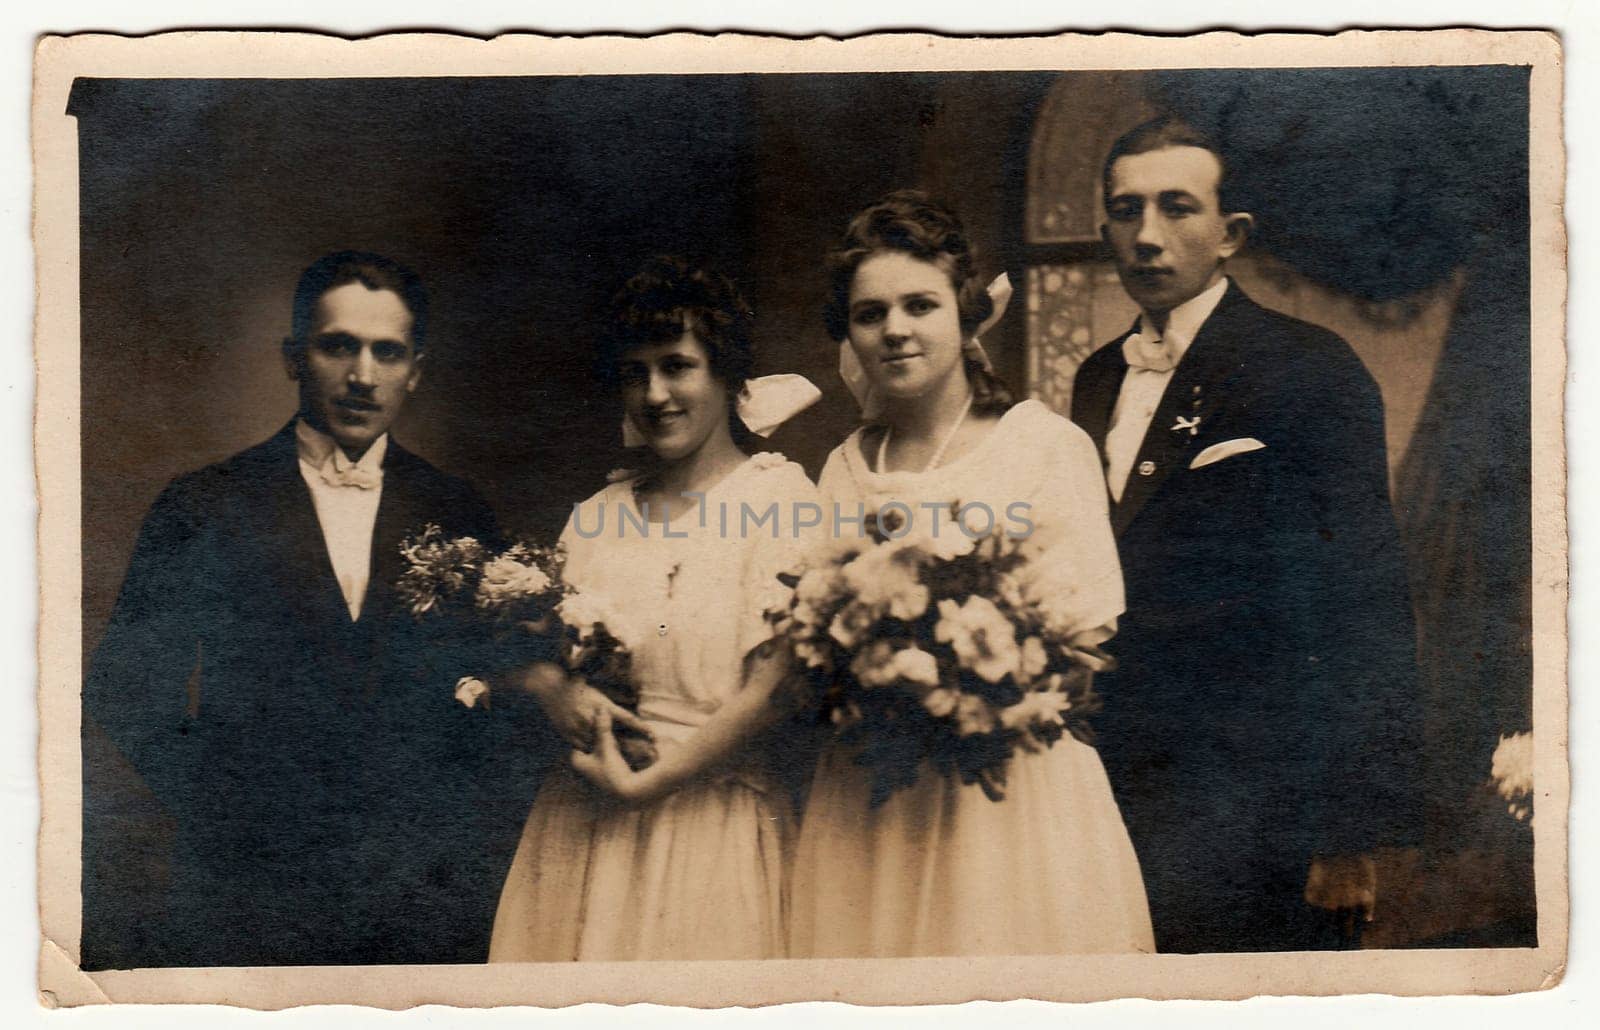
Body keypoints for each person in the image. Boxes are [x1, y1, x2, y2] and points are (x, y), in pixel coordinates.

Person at [82, 251, 534, 967]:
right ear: (294, 357)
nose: (362, 376)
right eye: (338, 346)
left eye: (387, 353)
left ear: (415, 369)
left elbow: (514, 688)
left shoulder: (457, 509)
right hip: (248, 893)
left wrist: (450, 827)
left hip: (419, 901)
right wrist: (229, 808)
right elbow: (125, 690)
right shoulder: (204, 504)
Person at [1072, 116, 1423, 953]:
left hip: (1262, 806)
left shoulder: (1309, 368)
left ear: (1231, 235)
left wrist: (1345, 834)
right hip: (1114, 791)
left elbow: (1363, 602)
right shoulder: (1095, 379)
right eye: (1126, 211)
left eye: (1176, 208)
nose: (1147, 236)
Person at [787, 191, 1154, 957]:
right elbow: (812, 637)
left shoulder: (1044, 447)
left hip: (1010, 791)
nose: (895, 329)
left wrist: (968, 687)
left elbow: (1085, 641)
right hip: (874, 797)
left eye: (920, 305)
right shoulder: (843, 468)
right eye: (869, 314)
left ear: (965, 313)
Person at [488, 256, 821, 962]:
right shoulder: (594, 518)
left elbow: (775, 690)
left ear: (727, 375)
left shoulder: (779, 502)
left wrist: (651, 783)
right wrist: (555, 690)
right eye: (635, 373)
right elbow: (525, 655)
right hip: (581, 830)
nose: (656, 394)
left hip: (710, 826)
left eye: (677, 366)